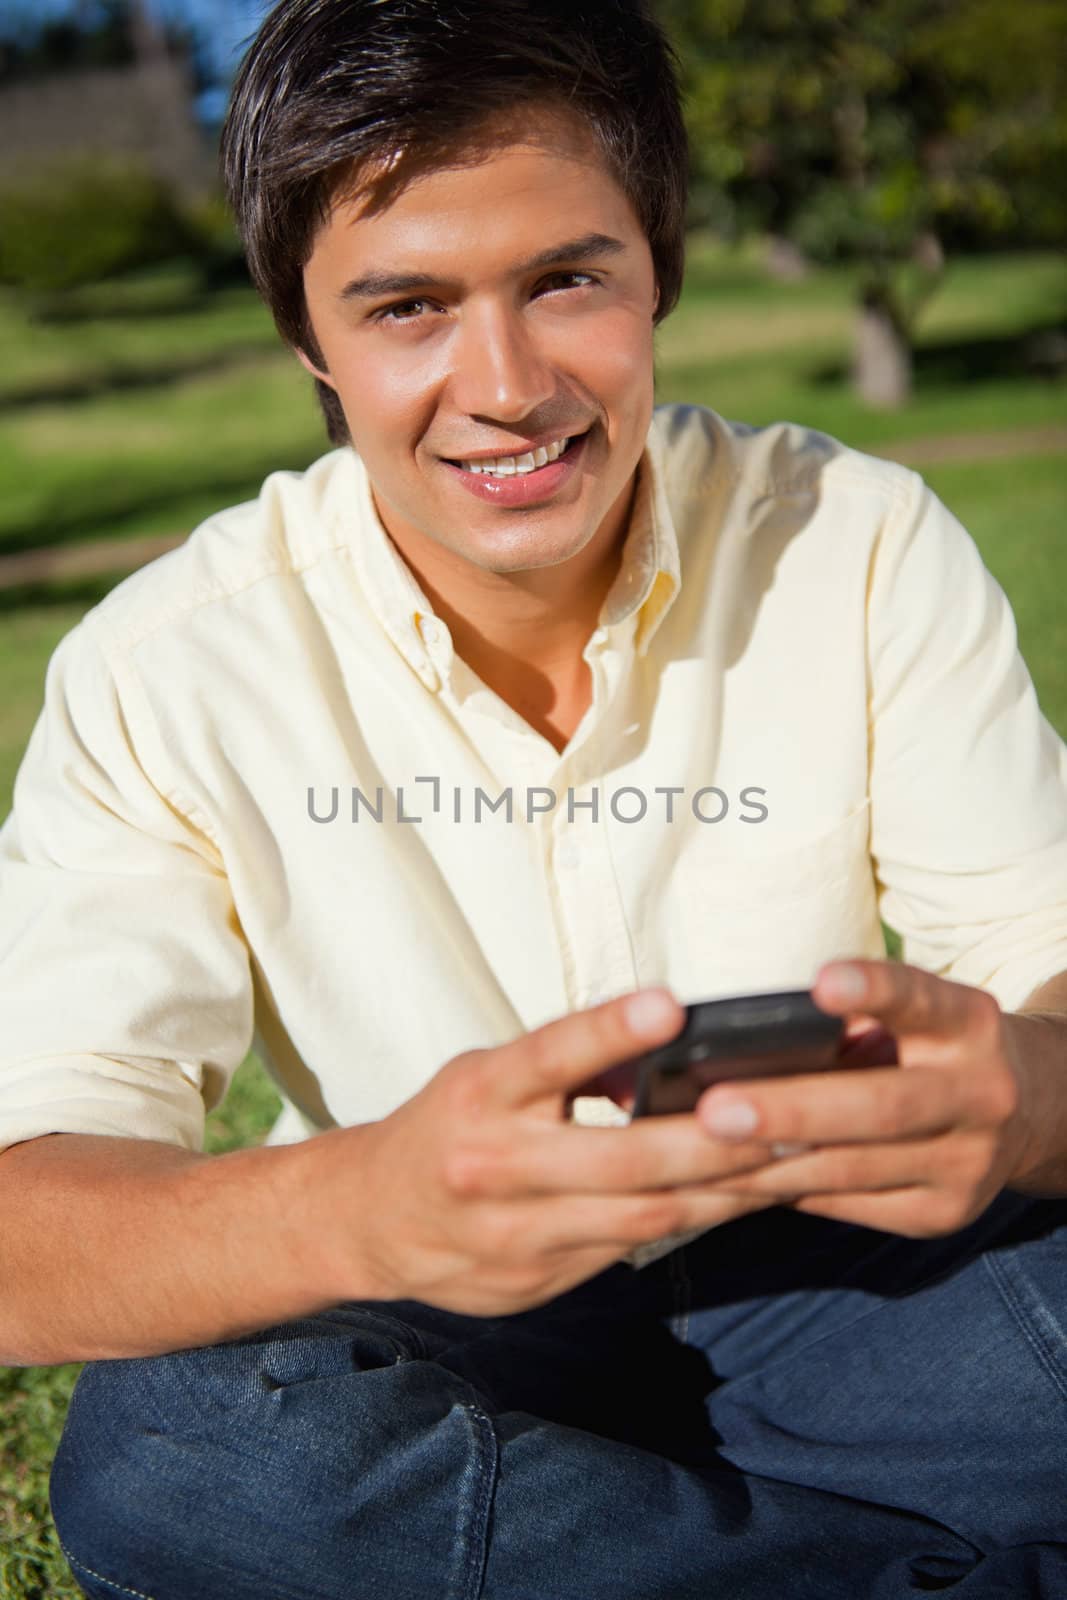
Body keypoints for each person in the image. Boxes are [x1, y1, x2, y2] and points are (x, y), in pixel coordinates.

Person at [1, 0, 1066, 1593]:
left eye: (566, 280)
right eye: (407, 307)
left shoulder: (855, 538)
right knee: (183, 1462)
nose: (504, 387)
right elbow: (27, 1235)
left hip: (838, 1277)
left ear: (660, 271)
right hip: (432, 1308)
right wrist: (376, 1210)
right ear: (305, 333)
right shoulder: (165, 668)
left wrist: (1023, 1098)